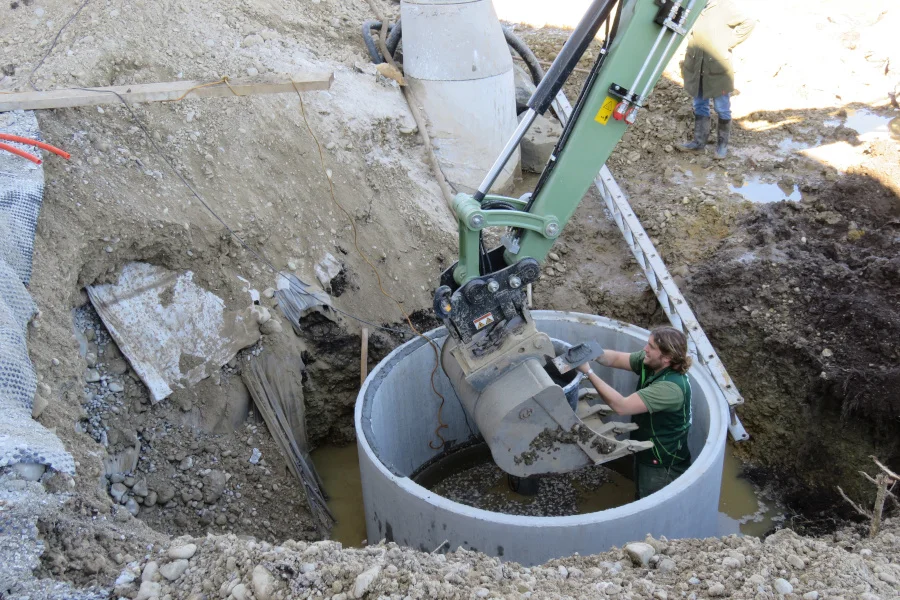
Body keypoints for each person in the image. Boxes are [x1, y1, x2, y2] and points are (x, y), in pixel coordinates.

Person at [577, 326, 693, 499]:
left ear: (667, 357)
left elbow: (621, 406)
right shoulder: (652, 362)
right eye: (648, 344)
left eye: (651, 347)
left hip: (660, 462)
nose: (645, 349)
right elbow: (615, 358)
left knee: (649, 502)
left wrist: (588, 372)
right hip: (644, 447)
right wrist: (590, 353)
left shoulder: (671, 388)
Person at [678, 0, 755, 159]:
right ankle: (699, 143)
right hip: (697, 65)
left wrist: (729, 43)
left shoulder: (725, 6)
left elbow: (749, 22)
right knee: (699, 104)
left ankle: (722, 146)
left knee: (722, 108)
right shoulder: (695, 6)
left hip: (717, 68)